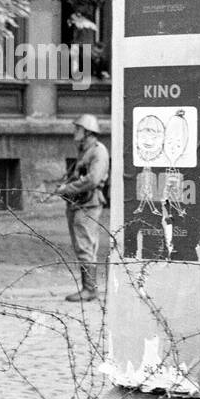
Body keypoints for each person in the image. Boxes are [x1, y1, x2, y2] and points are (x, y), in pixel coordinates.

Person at [56, 113, 110, 303]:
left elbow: (93, 179)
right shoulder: (85, 150)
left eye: (77, 129)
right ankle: (88, 288)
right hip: (79, 203)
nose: (74, 132)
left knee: (86, 245)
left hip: (89, 204)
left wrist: (68, 188)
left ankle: (89, 290)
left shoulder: (98, 151)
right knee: (82, 246)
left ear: (87, 132)